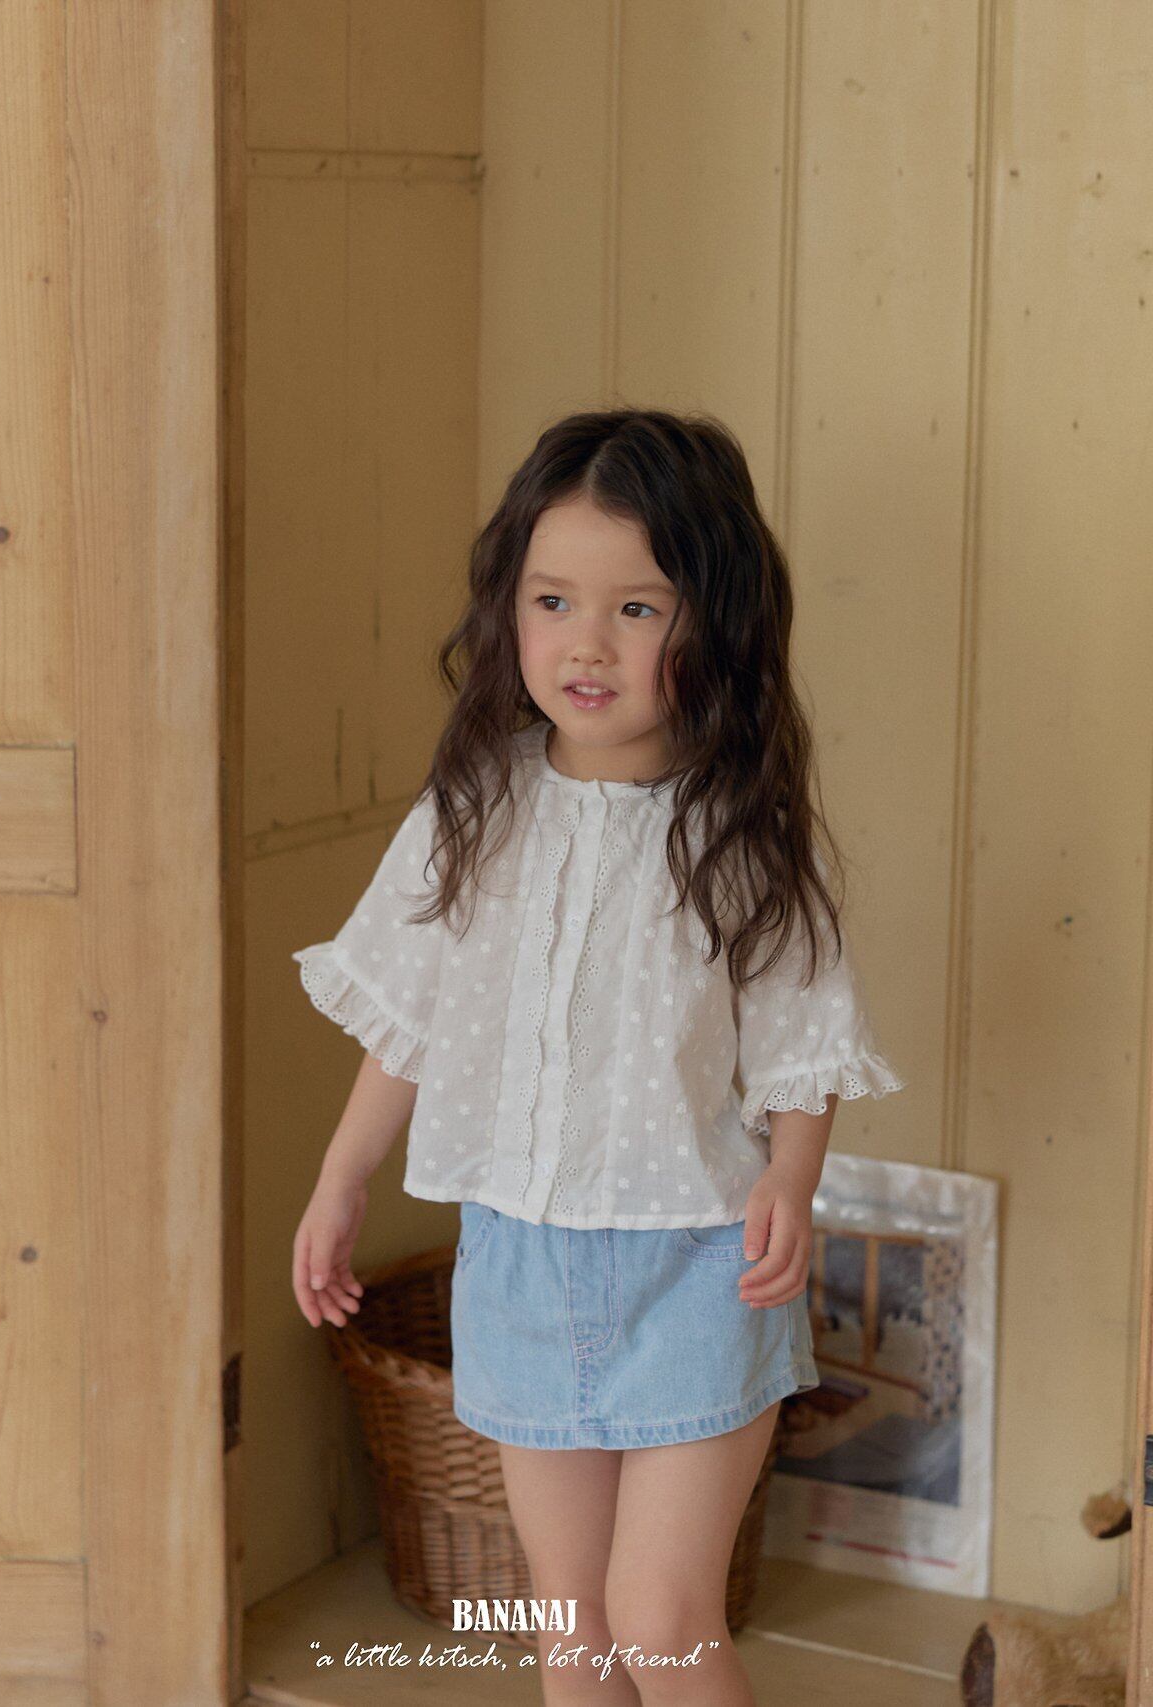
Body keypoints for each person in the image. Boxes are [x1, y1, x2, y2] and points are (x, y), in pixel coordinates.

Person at [290, 407, 906, 1706]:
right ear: (509, 608)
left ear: (711, 624)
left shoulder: (744, 830)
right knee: (569, 1628)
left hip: (697, 1266)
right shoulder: (474, 808)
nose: (587, 642)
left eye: (637, 609)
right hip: (517, 1263)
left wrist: (791, 1181)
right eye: (553, 600)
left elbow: (803, 1041)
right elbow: (411, 1020)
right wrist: (342, 1180)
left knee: (659, 1615)